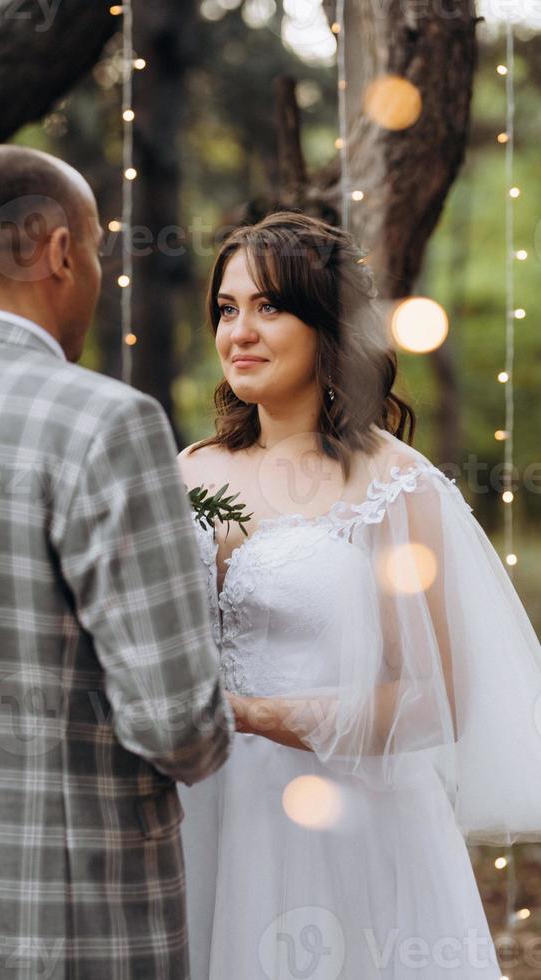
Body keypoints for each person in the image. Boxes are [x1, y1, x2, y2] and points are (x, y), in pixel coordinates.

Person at [0, 144, 234, 979]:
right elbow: (177, 724)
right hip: (71, 919)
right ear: (58, 253)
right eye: (98, 253)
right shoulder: (103, 422)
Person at [176, 210, 541, 979]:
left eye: (269, 307)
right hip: (208, 811)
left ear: (327, 326)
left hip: (347, 822)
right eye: (227, 309)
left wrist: (254, 715)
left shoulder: (393, 485)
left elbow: (433, 696)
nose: (239, 331)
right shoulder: (187, 472)